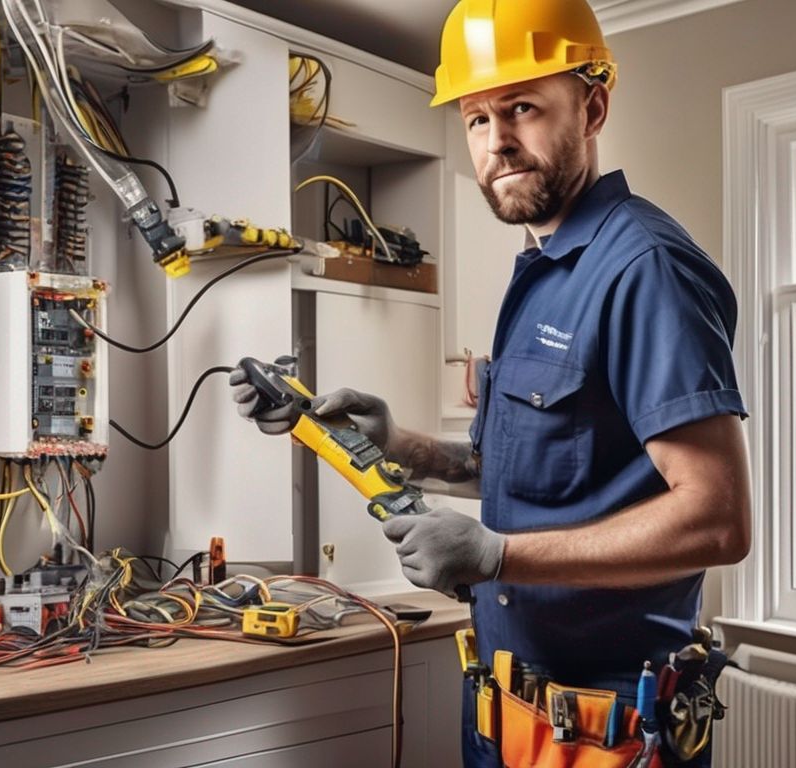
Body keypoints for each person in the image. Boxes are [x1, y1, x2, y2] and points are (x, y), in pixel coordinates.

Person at [231, 0, 750, 765]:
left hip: (610, 731)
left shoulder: (644, 270)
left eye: (522, 109)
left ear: (593, 105)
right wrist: (399, 445)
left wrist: (498, 556)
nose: (497, 143)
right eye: (476, 119)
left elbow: (718, 521)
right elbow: (551, 474)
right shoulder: (542, 272)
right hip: (508, 711)